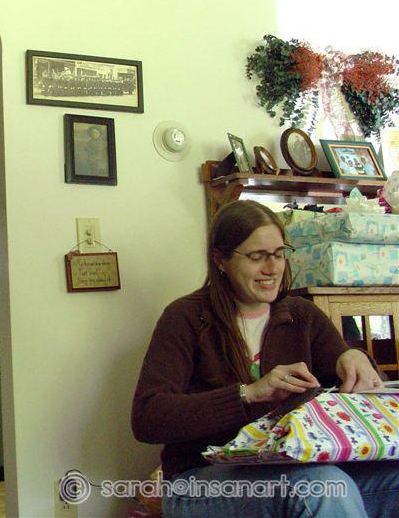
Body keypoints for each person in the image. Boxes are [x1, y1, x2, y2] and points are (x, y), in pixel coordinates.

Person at [131, 200, 399, 517]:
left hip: (297, 470)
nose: (272, 268)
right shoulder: (186, 317)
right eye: (257, 257)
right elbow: (148, 419)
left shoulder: (303, 316)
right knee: (321, 485)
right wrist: (249, 394)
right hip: (196, 481)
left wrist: (355, 358)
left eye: (279, 254)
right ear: (220, 260)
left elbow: (353, 378)